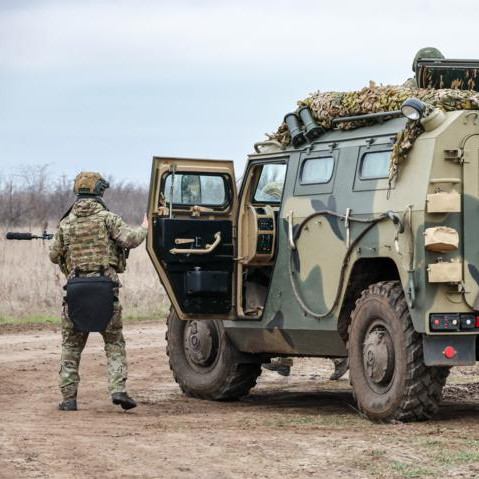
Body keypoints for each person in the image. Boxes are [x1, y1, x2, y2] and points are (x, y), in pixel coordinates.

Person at [49, 172, 148, 411]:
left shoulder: (66, 223)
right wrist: (145, 226)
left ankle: (69, 399)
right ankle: (118, 390)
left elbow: (54, 255)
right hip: (106, 291)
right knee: (114, 344)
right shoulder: (108, 219)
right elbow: (130, 239)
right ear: (99, 190)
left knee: (71, 348)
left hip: (75, 293)